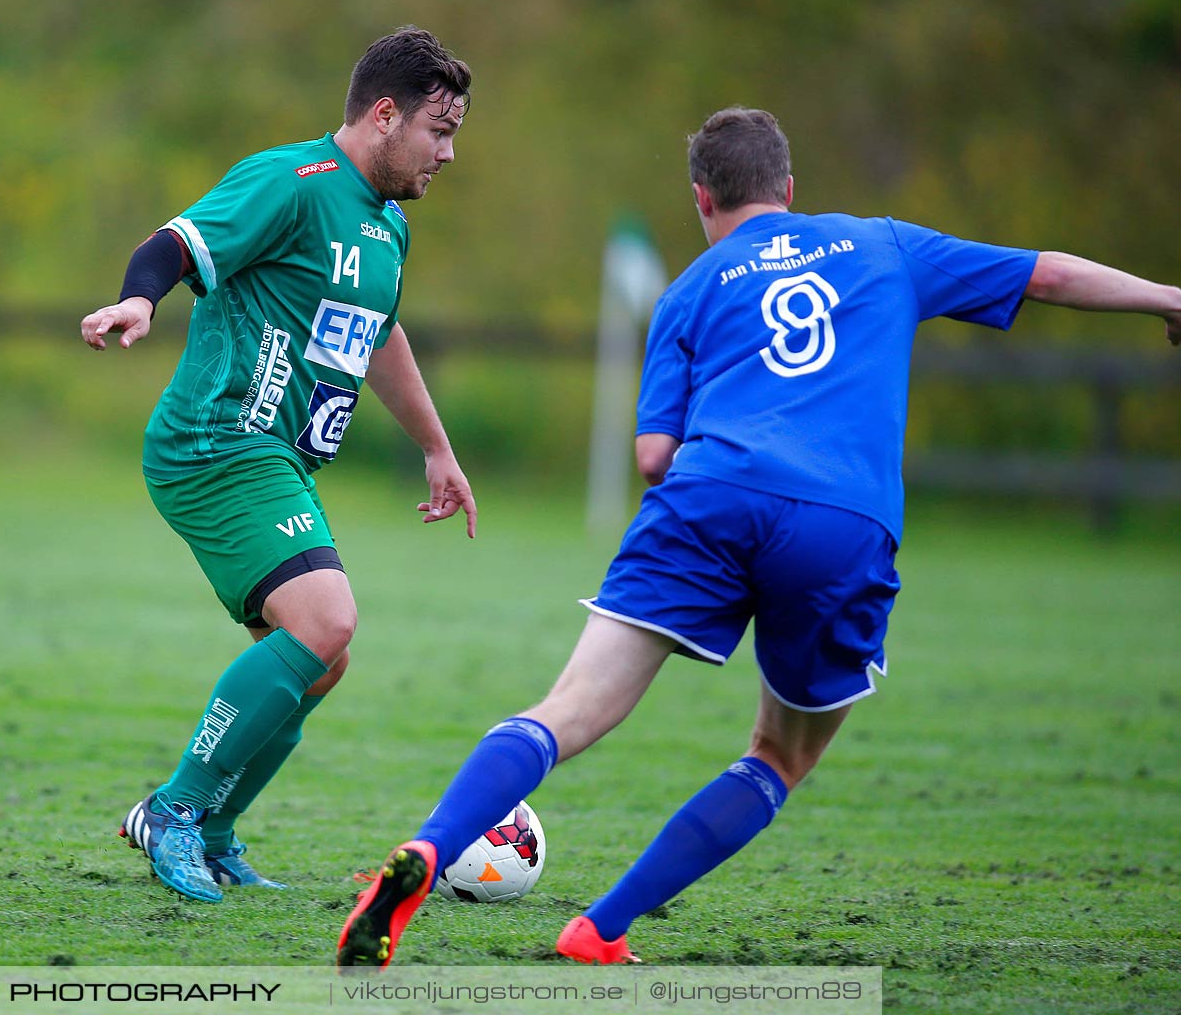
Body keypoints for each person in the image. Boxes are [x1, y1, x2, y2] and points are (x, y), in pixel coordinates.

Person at [337, 106, 1181, 967]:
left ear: (703, 198)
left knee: (568, 711)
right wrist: (1165, 298)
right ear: (789, 188)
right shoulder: (884, 246)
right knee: (779, 755)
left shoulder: (690, 289)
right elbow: (1044, 275)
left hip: (709, 498)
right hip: (842, 523)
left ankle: (431, 850)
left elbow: (654, 455)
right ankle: (600, 928)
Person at [80, 28, 481, 903]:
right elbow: (174, 245)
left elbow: (380, 336)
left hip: (280, 464)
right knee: (326, 623)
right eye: (438, 131)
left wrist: (437, 448)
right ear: (384, 115)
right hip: (217, 440)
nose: (447, 153)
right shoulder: (293, 182)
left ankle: (216, 828)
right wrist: (139, 300)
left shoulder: (390, 227)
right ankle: (173, 812)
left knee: (320, 659)